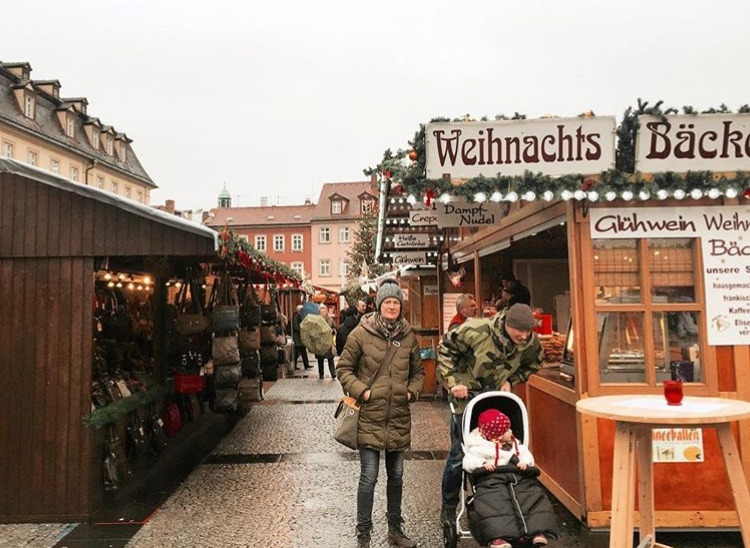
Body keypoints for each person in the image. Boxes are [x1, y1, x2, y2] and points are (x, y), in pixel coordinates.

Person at [437, 303, 544, 535]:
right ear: (507, 324)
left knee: (506, 452)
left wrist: (512, 380)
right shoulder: (476, 329)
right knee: (459, 456)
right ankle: (448, 508)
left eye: (528, 331)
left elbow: (535, 362)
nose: (524, 336)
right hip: (467, 399)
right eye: (520, 330)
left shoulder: (530, 342)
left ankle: (502, 505)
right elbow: (445, 349)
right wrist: (454, 382)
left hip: (498, 401)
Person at [336, 278, 424, 548]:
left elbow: (419, 373)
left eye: (396, 302)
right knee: (369, 477)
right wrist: (363, 392)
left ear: (401, 306)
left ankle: (395, 531)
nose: (392, 306)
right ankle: (363, 534)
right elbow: (343, 369)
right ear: (379, 304)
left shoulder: (408, 336)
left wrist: (411, 393)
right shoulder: (361, 334)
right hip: (369, 416)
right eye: (387, 302)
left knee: (396, 477)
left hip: (398, 417)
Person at [462, 409, 558, 547]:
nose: (511, 431)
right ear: (497, 436)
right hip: (491, 480)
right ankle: (497, 537)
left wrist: (525, 462)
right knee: (493, 504)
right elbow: (468, 462)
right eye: (507, 430)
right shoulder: (478, 448)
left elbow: (527, 455)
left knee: (533, 496)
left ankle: (538, 531)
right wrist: (482, 463)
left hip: (518, 477)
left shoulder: (516, 446)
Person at [315, 304, 336, 380]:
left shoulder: (330, 320)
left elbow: (335, 328)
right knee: (320, 359)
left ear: (327, 312)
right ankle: (321, 374)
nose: (323, 313)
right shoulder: (317, 321)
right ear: (319, 312)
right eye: (321, 312)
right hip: (320, 342)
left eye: (324, 311)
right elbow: (314, 331)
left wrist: (333, 331)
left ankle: (333, 373)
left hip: (328, 342)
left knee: (330, 358)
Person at [291, 305, 311, 370]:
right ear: (299, 310)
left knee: (303, 351)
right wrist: (302, 328)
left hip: (300, 337)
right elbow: (296, 327)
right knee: (297, 353)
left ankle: (306, 365)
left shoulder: (299, 316)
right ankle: (296, 366)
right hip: (297, 338)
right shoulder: (295, 317)